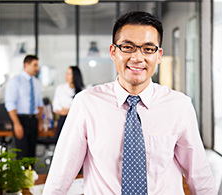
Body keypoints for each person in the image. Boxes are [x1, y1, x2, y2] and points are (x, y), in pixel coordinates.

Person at [43, 12, 217, 195]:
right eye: (127, 47)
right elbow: (60, 176)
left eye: (148, 49)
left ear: (158, 56)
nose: (137, 58)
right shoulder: (86, 103)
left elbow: (199, 175)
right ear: (113, 51)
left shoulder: (179, 105)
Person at [5, 55, 44, 159]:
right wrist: (16, 124)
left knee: (32, 154)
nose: (37, 68)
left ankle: (31, 175)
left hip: (33, 120)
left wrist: (40, 122)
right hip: (21, 120)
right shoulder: (15, 81)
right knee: (22, 154)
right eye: (35, 65)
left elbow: (40, 104)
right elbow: (10, 104)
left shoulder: (36, 82)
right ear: (26, 65)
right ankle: (22, 175)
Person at [52, 66, 84, 144]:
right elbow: (55, 107)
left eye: (69, 74)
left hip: (76, 122)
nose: (66, 76)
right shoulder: (60, 88)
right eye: (66, 74)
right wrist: (72, 110)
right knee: (60, 143)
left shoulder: (83, 90)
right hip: (63, 120)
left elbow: (82, 109)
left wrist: (66, 109)